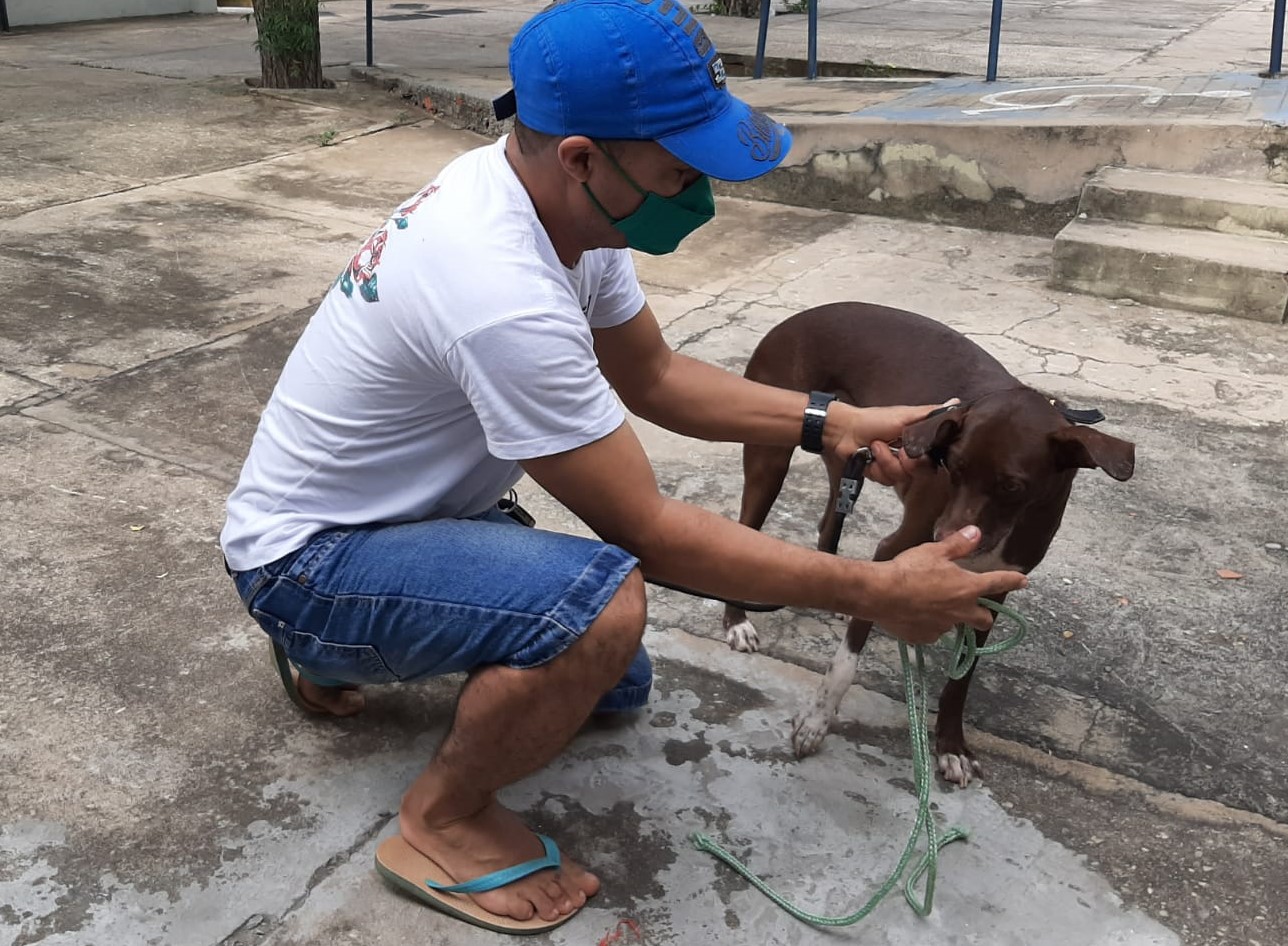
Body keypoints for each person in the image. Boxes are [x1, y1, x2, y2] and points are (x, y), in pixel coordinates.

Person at [220, 0, 1027, 933]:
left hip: (396, 517)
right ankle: (435, 815)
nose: (700, 195)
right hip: (311, 555)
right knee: (601, 610)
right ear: (582, 158)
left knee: (616, 683)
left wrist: (832, 421)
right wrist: (872, 590)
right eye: (680, 170)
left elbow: (653, 375)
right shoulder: (497, 287)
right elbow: (646, 531)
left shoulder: (554, 209)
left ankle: (344, 641)